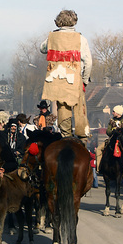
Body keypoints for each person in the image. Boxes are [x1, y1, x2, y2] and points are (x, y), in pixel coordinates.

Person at [40, 10, 92, 145]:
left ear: (58, 21)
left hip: (57, 79)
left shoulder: (52, 37)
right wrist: (85, 80)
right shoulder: (81, 39)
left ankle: (66, 136)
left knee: (62, 108)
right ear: (74, 21)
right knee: (80, 107)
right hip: (75, 78)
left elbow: (42, 48)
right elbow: (89, 62)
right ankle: (82, 137)